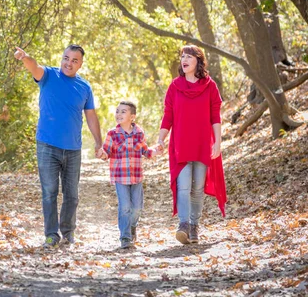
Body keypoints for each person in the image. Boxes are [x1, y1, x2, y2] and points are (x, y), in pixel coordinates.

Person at [14, 45, 104, 248]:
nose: (68, 63)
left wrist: (99, 142)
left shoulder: (84, 87)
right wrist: (25, 57)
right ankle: (51, 234)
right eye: (66, 58)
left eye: (74, 60)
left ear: (80, 64)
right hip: (47, 145)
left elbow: (91, 116)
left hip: (73, 149)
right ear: (61, 58)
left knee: (72, 194)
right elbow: (34, 67)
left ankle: (68, 232)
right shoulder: (49, 75)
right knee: (50, 192)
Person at [157, 45, 227, 244]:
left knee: (198, 188)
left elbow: (216, 116)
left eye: (188, 56)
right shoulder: (175, 86)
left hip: (203, 143)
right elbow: (167, 116)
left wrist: (218, 143)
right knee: (183, 186)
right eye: (182, 56)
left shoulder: (210, 86)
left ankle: (194, 226)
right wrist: (161, 138)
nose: (184, 59)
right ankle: (183, 225)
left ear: (198, 60)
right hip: (181, 144)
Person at [96, 101, 161, 249]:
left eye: (123, 111)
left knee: (137, 207)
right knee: (125, 206)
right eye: (117, 111)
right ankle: (125, 237)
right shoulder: (112, 133)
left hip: (136, 176)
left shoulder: (139, 132)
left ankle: (132, 226)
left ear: (132, 116)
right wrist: (102, 154)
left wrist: (155, 151)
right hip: (120, 176)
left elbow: (145, 151)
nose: (119, 114)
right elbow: (107, 152)